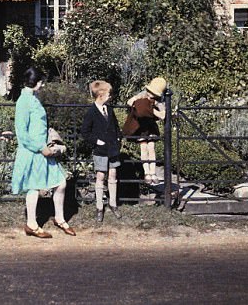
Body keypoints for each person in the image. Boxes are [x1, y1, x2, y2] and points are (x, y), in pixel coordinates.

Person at [10, 67, 75, 238]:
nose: (43, 85)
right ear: (36, 82)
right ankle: (31, 224)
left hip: (42, 150)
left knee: (60, 183)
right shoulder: (24, 101)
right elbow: (22, 133)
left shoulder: (33, 98)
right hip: (33, 152)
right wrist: (40, 148)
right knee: (33, 187)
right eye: (42, 82)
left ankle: (59, 218)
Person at [81, 79, 122, 222]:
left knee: (113, 174)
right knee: (100, 176)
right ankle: (99, 206)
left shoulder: (109, 110)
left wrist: (118, 139)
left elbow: (116, 127)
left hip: (113, 149)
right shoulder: (91, 112)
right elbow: (85, 132)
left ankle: (113, 204)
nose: (111, 96)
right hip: (100, 150)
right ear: (101, 95)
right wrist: (97, 141)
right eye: (109, 94)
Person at [122, 76, 167, 185]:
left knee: (151, 148)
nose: (150, 94)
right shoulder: (142, 95)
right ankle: (147, 172)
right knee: (143, 148)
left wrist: (151, 110)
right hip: (141, 126)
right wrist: (137, 103)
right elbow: (130, 102)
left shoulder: (158, 101)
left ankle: (153, 172)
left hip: (150, 126)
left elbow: (163, 114)